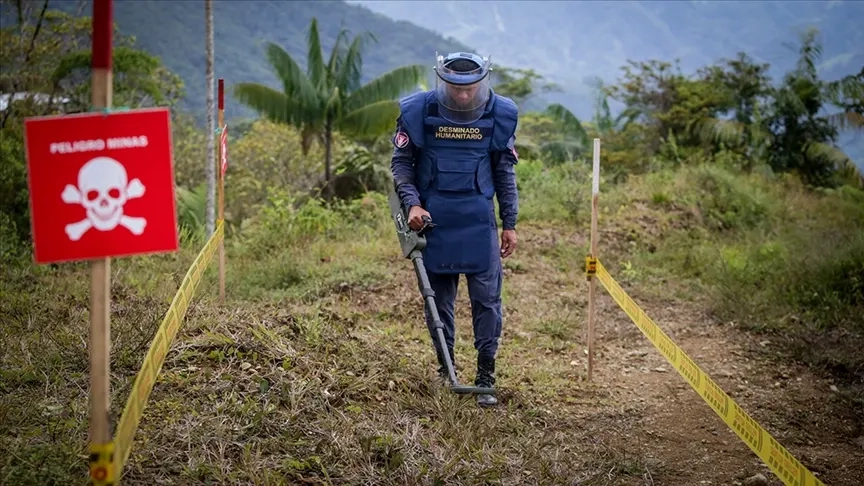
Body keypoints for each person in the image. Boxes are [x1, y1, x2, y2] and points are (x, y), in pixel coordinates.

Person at [389, 51, 520, 407]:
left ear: (482, 82)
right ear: (441, 81)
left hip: (479, 222)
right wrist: (413, 203)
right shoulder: (418, 111)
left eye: (470, 88)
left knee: (487, 303)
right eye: (454, 88)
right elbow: (401, 165)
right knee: (438, 303)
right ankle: (446, 371)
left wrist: (510, 223)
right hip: (434, 222)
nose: (463, 95)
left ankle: (485, 375)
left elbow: (504, 173)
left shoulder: (500, 115)